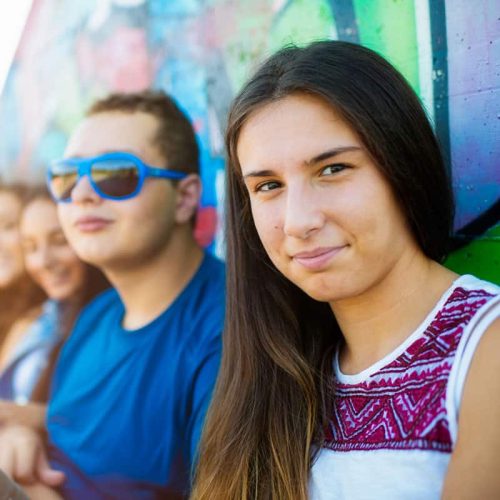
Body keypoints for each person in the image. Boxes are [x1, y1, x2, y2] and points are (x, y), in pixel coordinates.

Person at [192, 41, 500, 500]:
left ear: (402, 165)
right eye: (268, 185)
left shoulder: (484, 351)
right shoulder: (275, 370)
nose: (298, 220)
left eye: (333, 169)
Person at [0, 90, 225, 499]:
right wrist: (21, 429)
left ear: (185, 197)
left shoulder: (229, 330)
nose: (82, 194)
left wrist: (26, 489)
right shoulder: (95, 316)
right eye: (67, 177)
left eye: (116, 174)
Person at [0, 188, 108, 412]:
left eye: (60, 241)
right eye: (30, 247)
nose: (44, 261)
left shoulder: (111, 323)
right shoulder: (36, 320)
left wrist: (21, 420)